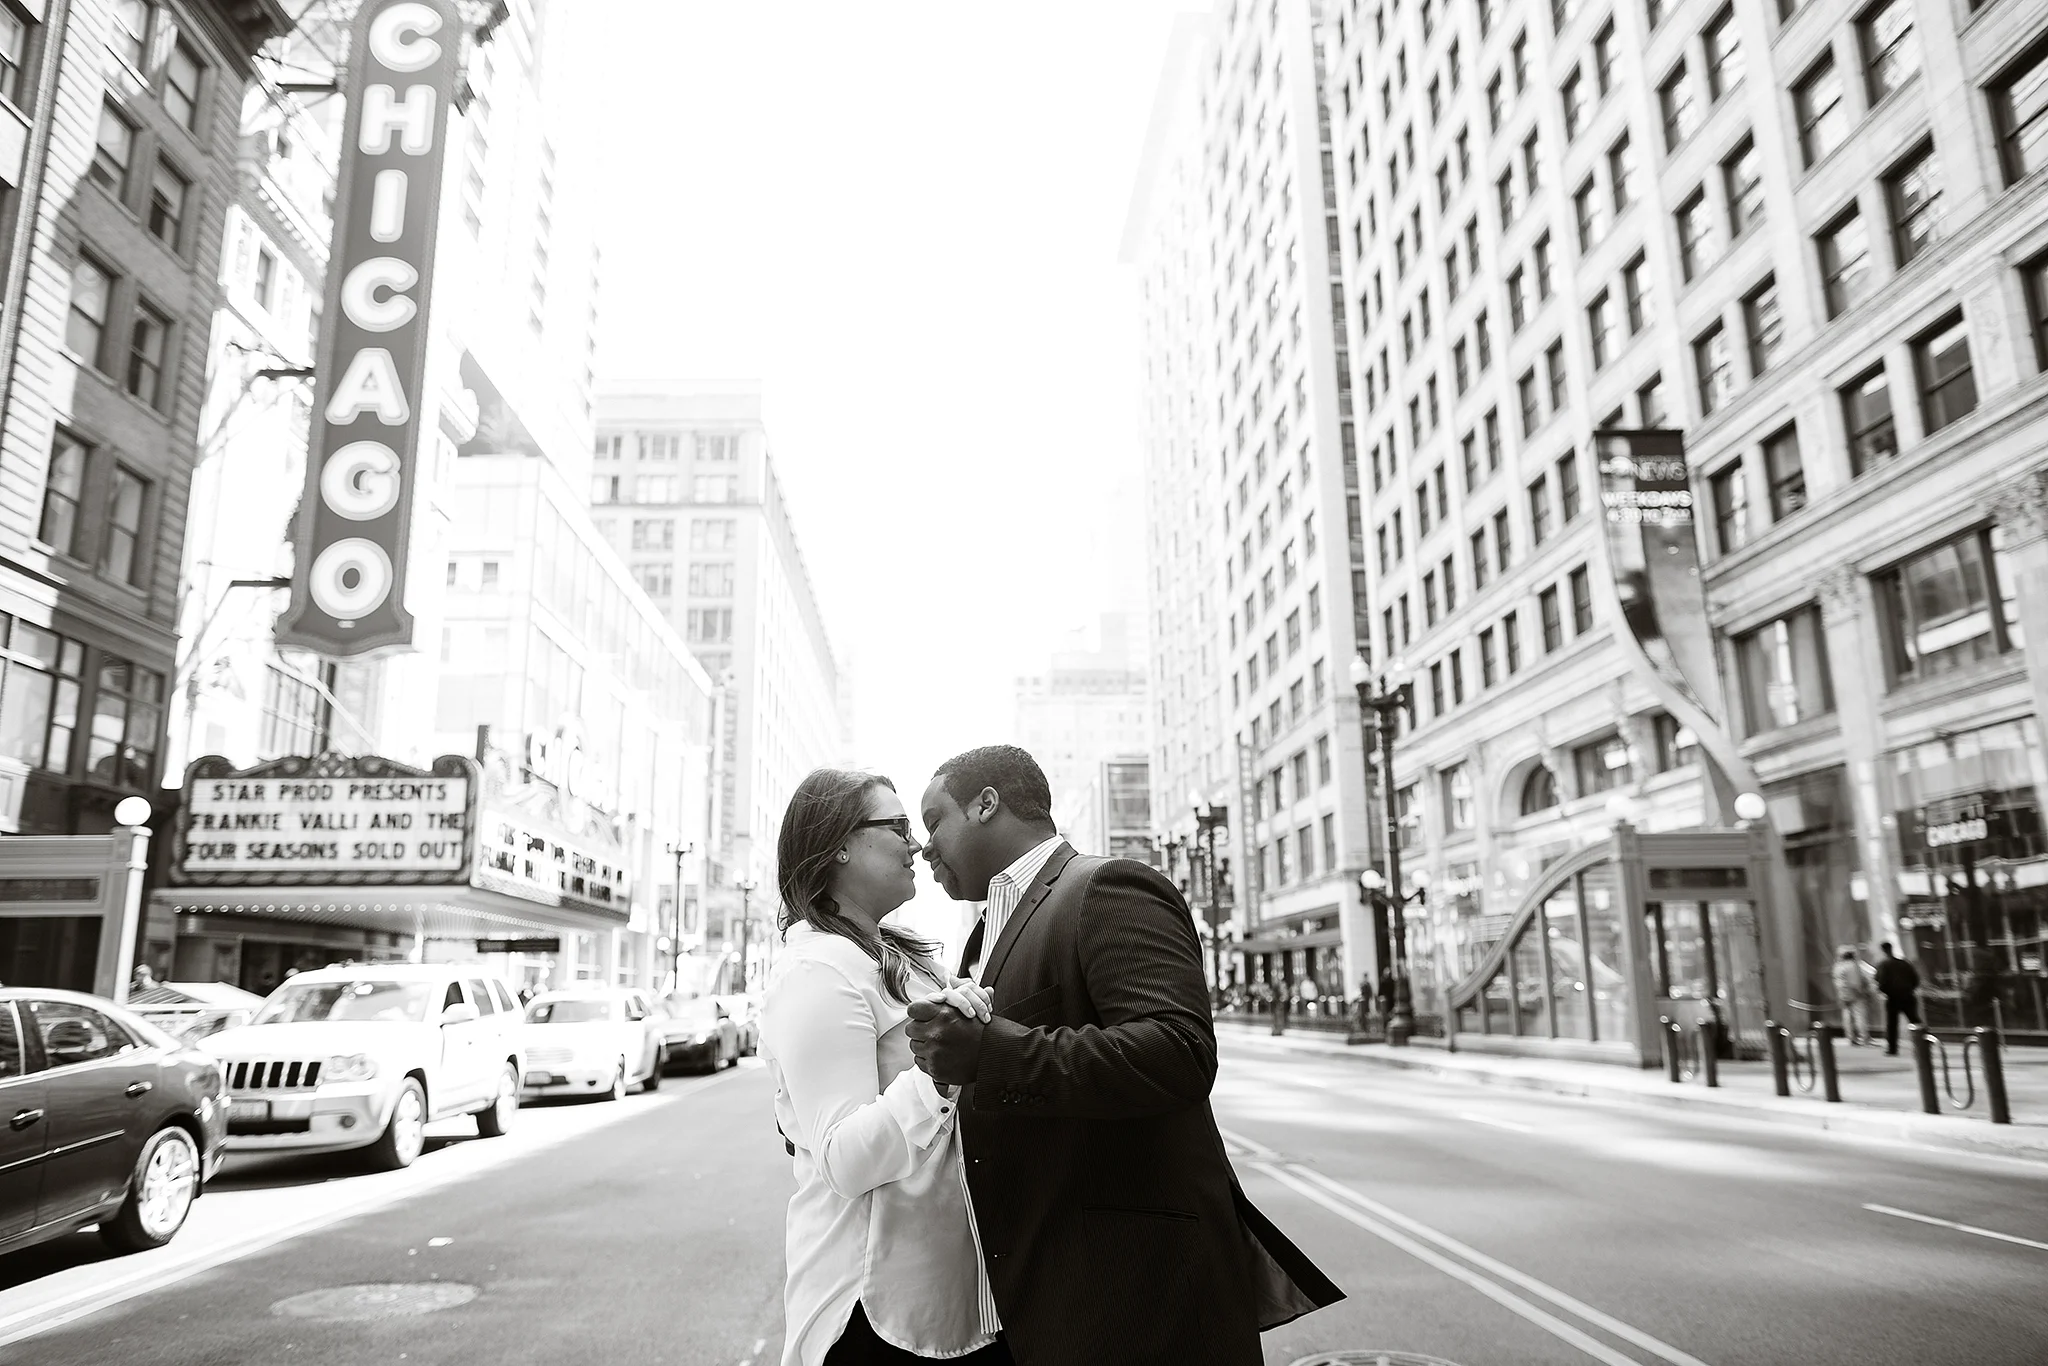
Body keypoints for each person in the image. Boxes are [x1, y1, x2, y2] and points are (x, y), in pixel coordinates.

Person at [905, 745, 1342, 1366]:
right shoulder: (984, 930)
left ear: (985, 804)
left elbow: (1178, 1051)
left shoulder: (1105, 887)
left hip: (1133, 1303)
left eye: (934, 820)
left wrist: (991, 1053)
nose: (925, 848)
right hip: (1045, 1295)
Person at [759, 768, 1013, 1366]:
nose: (917, 845)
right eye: (898, 826)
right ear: (840, 844)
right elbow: (844, 1158)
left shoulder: (895, 954)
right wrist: (941, 1071)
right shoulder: (818, 972)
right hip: (871, 1310)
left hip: (946, 1295)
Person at [1874, 940, 1922, 1056]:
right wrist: (1910, 989)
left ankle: (1892, 1048)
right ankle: (1923, 1043)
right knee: (1914, 1020)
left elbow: (1880, 981)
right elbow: (1915, 979)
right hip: (1907, 995)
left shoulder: (1883, 965)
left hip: (1892, 997)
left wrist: (1885, 991)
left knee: (1892, 1024)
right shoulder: (1904, 963)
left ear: (1883, 950)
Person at [1829, 947, 1873, 1046]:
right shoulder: (1852, 966)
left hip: (1843, 994)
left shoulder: (1838, 967)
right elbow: (1855, 983)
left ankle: (1850, 1037)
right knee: (1859, 1016)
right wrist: (1862, 992)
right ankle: (1864, 1037)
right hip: (1855, 994)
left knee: (1847, 1016)